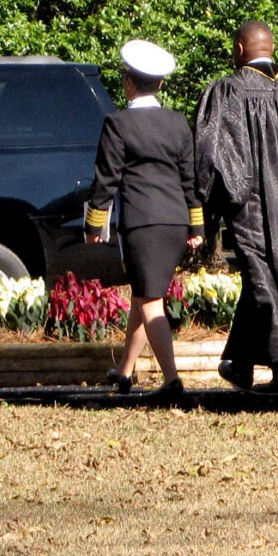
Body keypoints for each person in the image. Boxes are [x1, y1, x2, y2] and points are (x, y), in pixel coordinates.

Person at [195, 20, 278, 394]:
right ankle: (242, 362)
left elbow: (212, 155)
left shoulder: (228, 90)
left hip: (253, 205)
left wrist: (210, 204)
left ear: (239, 48)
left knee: (262, 277)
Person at [86, 40, 204, 402]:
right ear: (161, 84)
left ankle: (172, 381)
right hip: (175, 222)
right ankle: (124, 371)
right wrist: (197, 226)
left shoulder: (118, 123)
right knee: (143, 295)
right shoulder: (177, 122)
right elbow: (190, 177)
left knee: (151, 301)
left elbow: (106, 178)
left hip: (142, 224)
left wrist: (94, 224)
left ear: (127, 82)